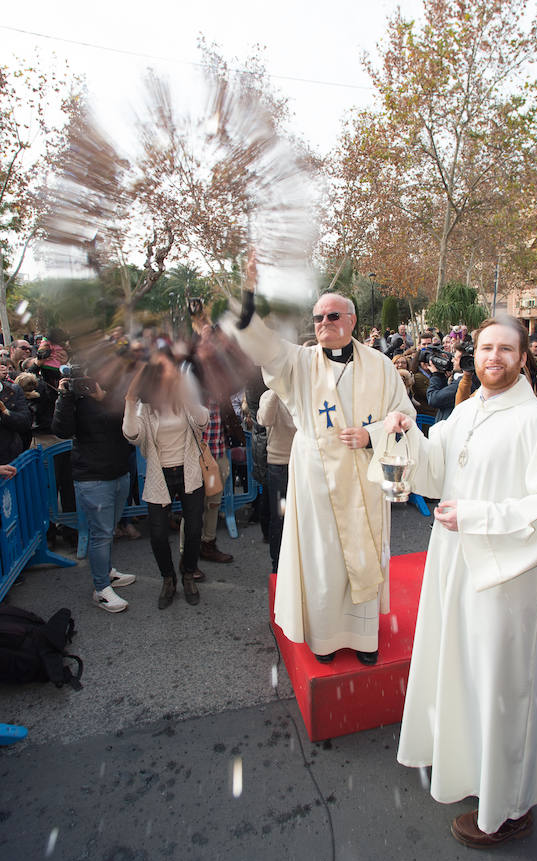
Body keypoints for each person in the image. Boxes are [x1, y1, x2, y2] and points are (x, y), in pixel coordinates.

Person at [383, 315, 537, 848]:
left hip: (508, 580)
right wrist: (407, 435)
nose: (493, 357)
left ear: (523, 357)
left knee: (503, 688)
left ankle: (509, 806)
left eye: (506, 350)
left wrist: (477, 516)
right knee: (466, 675)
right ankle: (473, 771)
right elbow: (433, 465)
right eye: (485, 348)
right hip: (457, 565)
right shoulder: (469, 409)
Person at [229, 268, 415, 666]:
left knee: (362, 555)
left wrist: (371, 434)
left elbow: (404, 415)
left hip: (365, 474)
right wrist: (250, 297)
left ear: (351, 321)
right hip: (316, 478)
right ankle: (325, 638)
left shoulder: (381, 366)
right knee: (323, 558)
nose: (324, 323)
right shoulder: (299, 361)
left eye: (333, 316)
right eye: (318, 317)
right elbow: (261, 346)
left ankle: (364, 639)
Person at [122, 349, 209, 608]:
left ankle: (189, 573)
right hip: (160, 474)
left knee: (194, 528)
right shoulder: (144, 408)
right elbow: (131, 435)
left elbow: (203, 420)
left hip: (189, 471)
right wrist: (129, 399)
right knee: (158, 534)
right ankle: (168, 578)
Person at [52, 362, 136, 613]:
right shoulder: (72, 397)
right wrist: (65, 397)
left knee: (108, 529)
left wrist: (103, 397)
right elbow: (61, 430)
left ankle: (107, 572)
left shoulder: (113, 391)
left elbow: (128, 421)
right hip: (92, 477)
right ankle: (100, 589)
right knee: (101, 533)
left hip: (120, 471)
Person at [257, 388, 296, 573]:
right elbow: (264, 419)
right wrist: (276, 389)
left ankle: (298, 565)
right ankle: (278, 566)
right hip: (279, 467)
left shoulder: (302, 391)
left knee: (303, 517)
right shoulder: (268, 395)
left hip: (302, 464)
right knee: (281, 517)